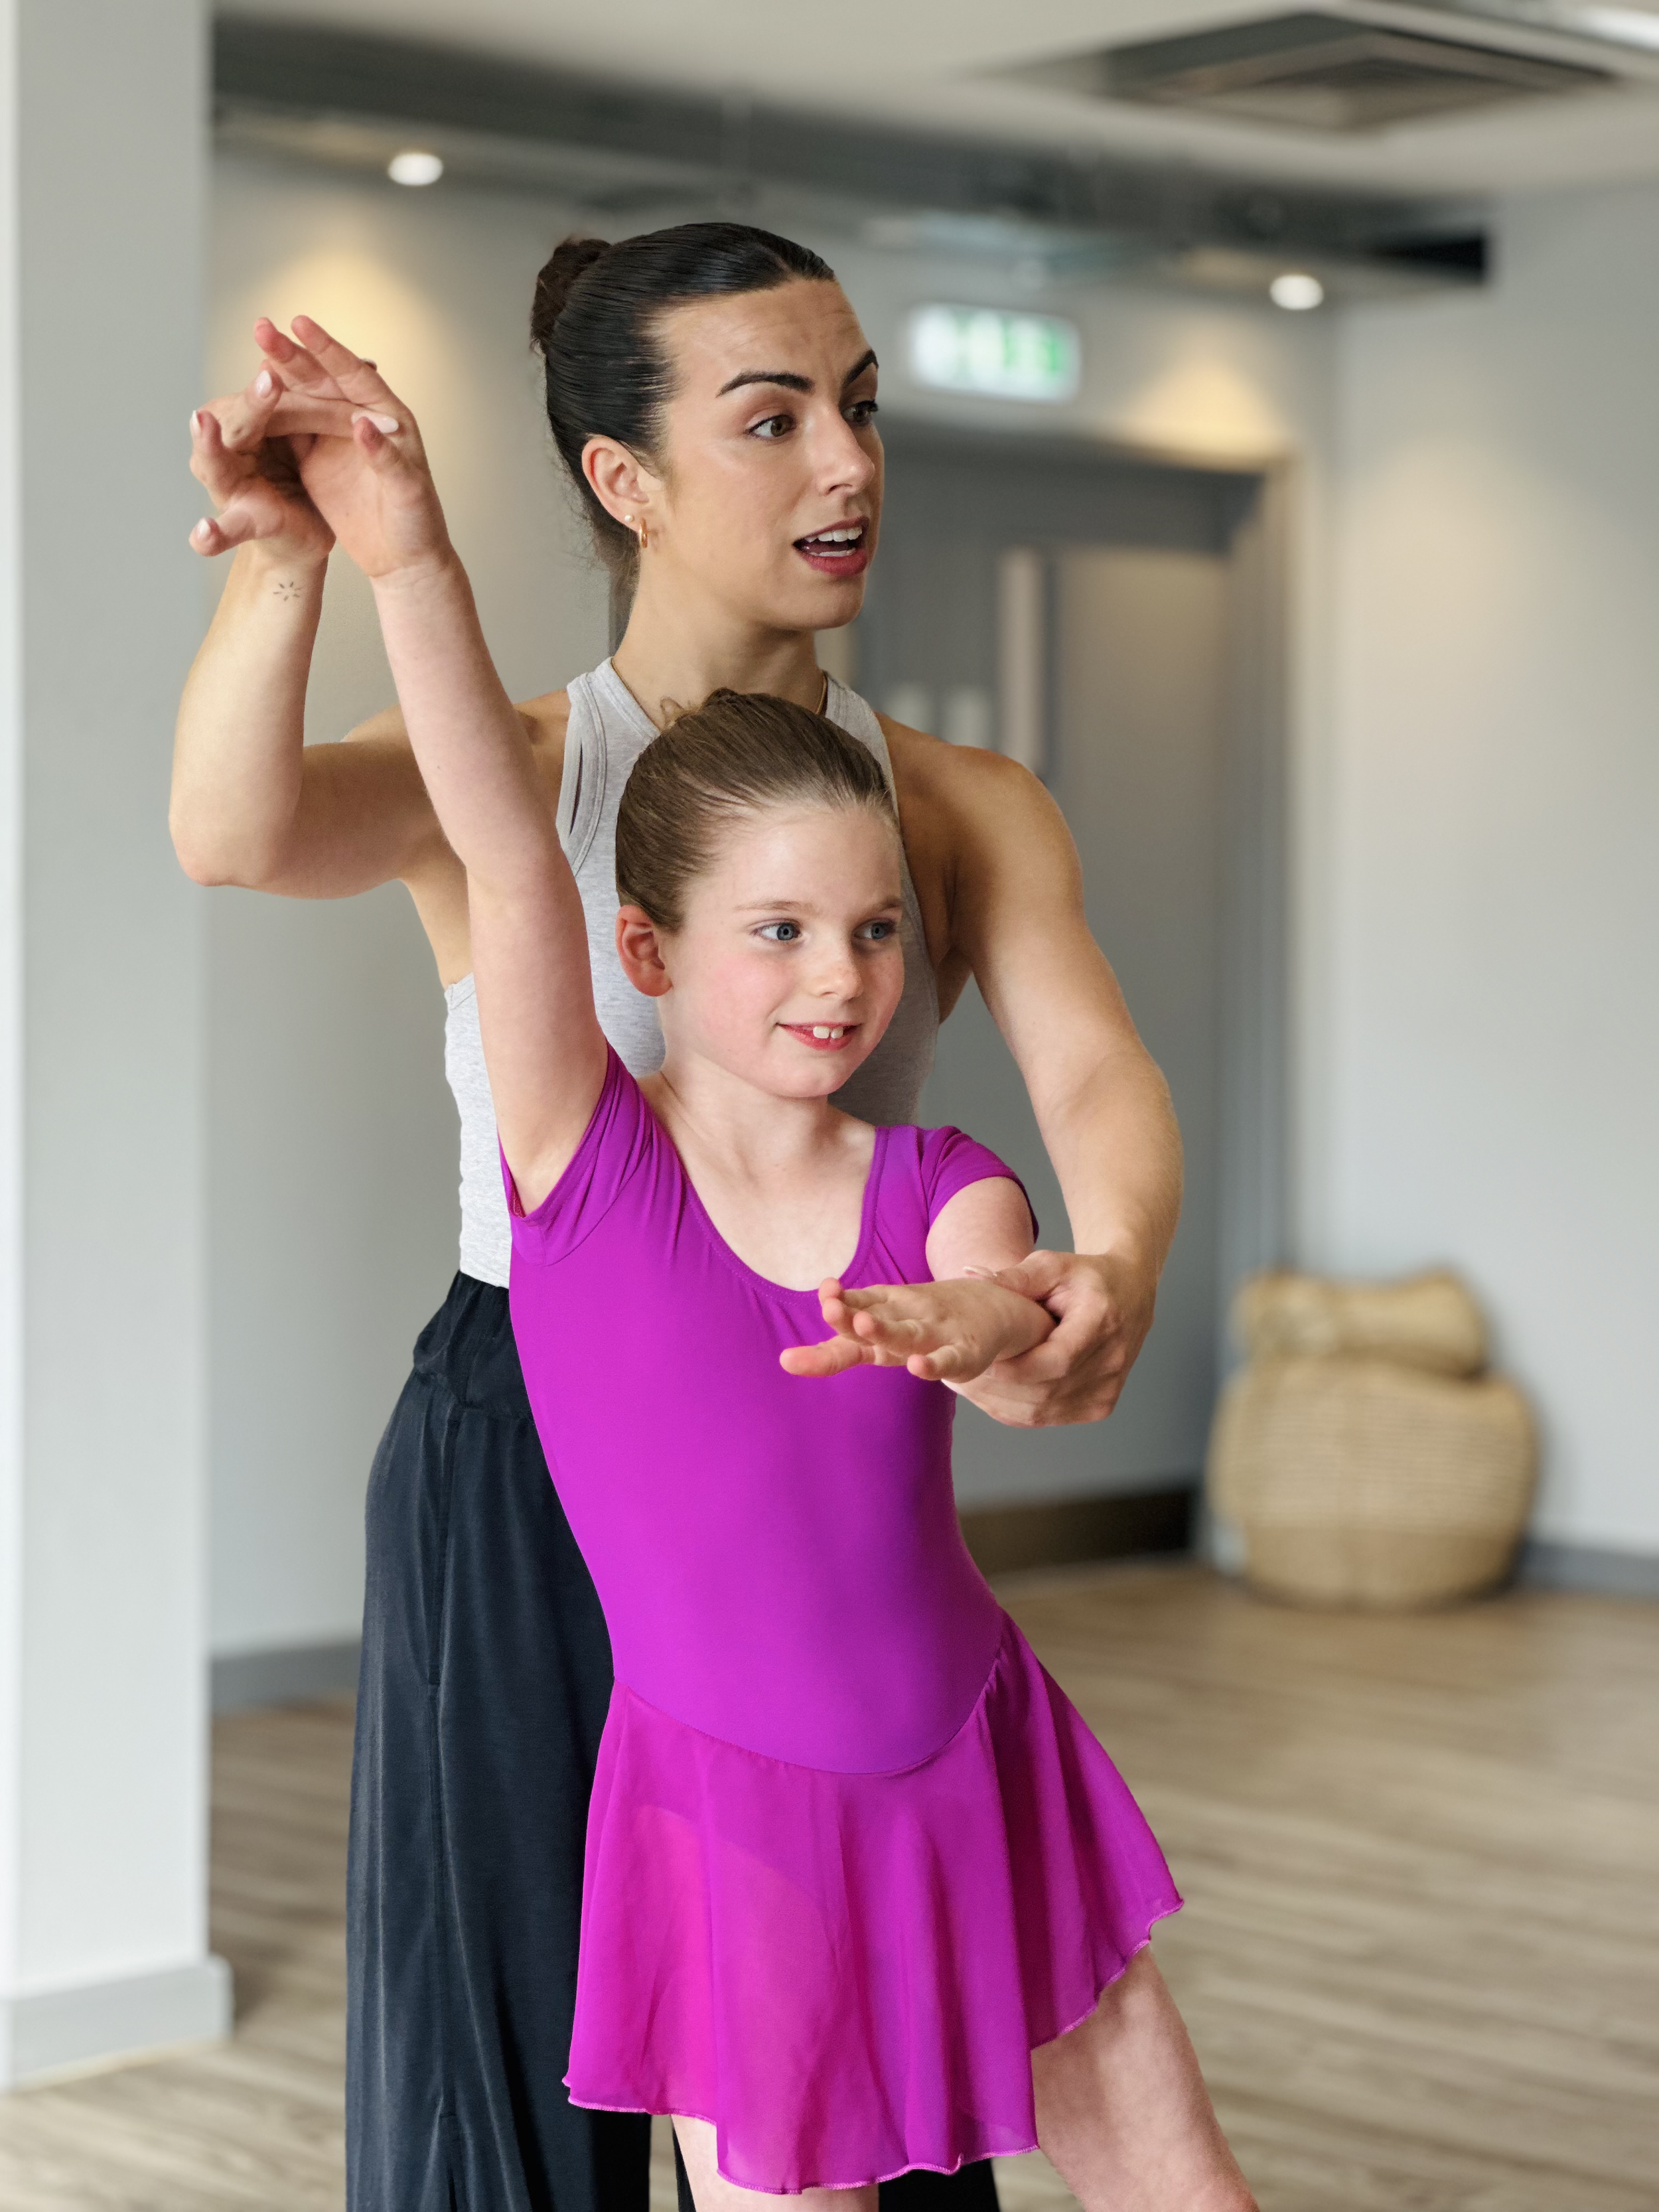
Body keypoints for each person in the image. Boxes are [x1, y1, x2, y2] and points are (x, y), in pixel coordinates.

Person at [172, 225, 1186, 2212]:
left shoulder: (960, 800)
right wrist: (299, 553)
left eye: (861, 406)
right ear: (622, 480)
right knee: (515, 2059)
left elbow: (1091, 1071)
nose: (848, 464)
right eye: (773, 418)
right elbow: (235, 830)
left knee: (854, 2079)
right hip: (531, 1438)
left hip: (815, 1445)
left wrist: (1111, 1257)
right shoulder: (521, 771)